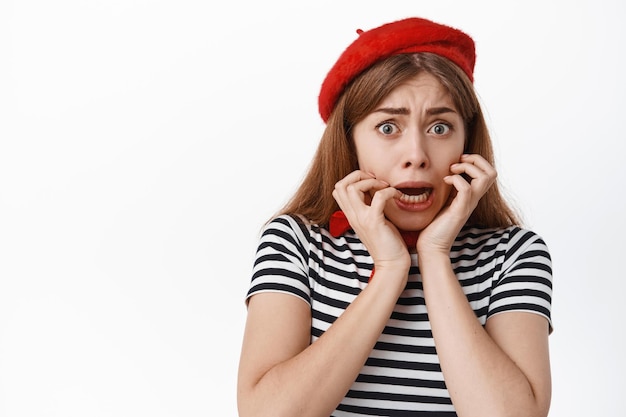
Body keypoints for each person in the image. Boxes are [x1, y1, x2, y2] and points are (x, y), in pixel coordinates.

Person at [237, 17, 553, 417]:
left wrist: (435, 256)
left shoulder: (514, 254)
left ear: (467, 142)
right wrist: (389, 270)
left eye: (440, 127)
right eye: (388, 127)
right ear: (350, 142)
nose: (417, 154)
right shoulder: (295, 241)